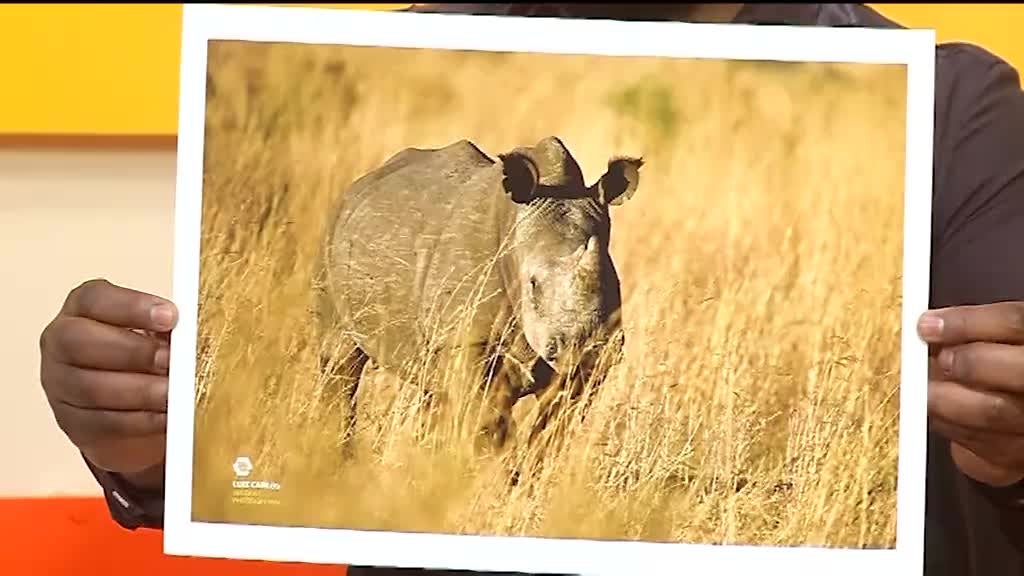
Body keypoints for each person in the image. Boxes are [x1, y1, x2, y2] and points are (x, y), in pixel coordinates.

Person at [36, 3, 1024, 576]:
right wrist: (151, 453)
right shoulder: (402, 74)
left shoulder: (951, 107)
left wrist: (1010, 450)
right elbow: (265, 483)